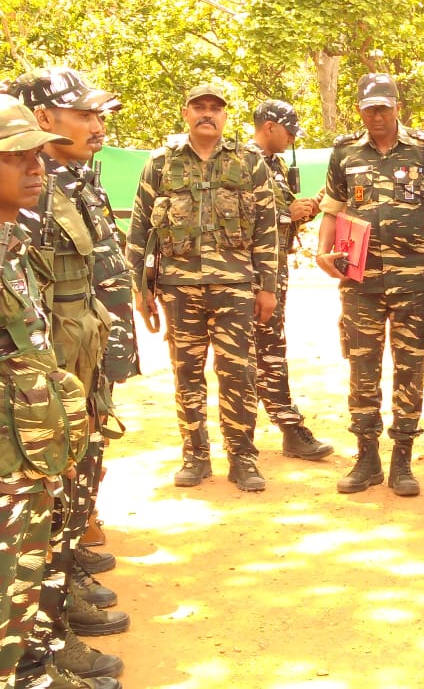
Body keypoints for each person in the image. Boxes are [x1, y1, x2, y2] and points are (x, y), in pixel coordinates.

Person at [8, 69, 131, 686]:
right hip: (41, 386)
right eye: (83, 114)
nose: (96, 125)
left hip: (72, 368)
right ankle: (38, 643)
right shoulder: (25, 200)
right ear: (44, 118)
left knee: (66, 501)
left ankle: (48, 624)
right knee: (43, 514)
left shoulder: (71, 182)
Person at [126, 83, 278, 493]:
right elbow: (139, 229)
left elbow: (267, 228)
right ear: (185, 113)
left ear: (226, 116)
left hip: (234, 285)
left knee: (238, 372)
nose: (207, 114)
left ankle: (243, 457)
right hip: (178, 288)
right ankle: (195, 456)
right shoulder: (159, 163)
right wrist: (141, 290)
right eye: (199, 107)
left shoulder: (249, 162)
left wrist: (268, 287)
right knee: (187, 373)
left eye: (215, 108)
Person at [315, 73, 424, 497]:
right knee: (362, 365)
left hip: (412, 278)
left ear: (397, 107)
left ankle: (402, 459)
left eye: (383, 107)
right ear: (360, 109)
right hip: (360, 279)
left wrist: (401, 233)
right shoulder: (345, 153)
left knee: (411, 366)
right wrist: (323, 252)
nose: (377, 115)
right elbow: (332, 211)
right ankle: (367, 456)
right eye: (369, 107)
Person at [246, 100, 333, 461]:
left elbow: (279, 217)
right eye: (289, 130)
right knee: (262, 354)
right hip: (250, 275)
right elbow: (240, 215)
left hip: (274, 272)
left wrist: (304, 210)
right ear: (269, 126)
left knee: (268, 351)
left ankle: (278, 428)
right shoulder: (242, 162)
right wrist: (286, 213)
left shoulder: (275, 165)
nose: (293, 137)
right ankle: (284, 428)